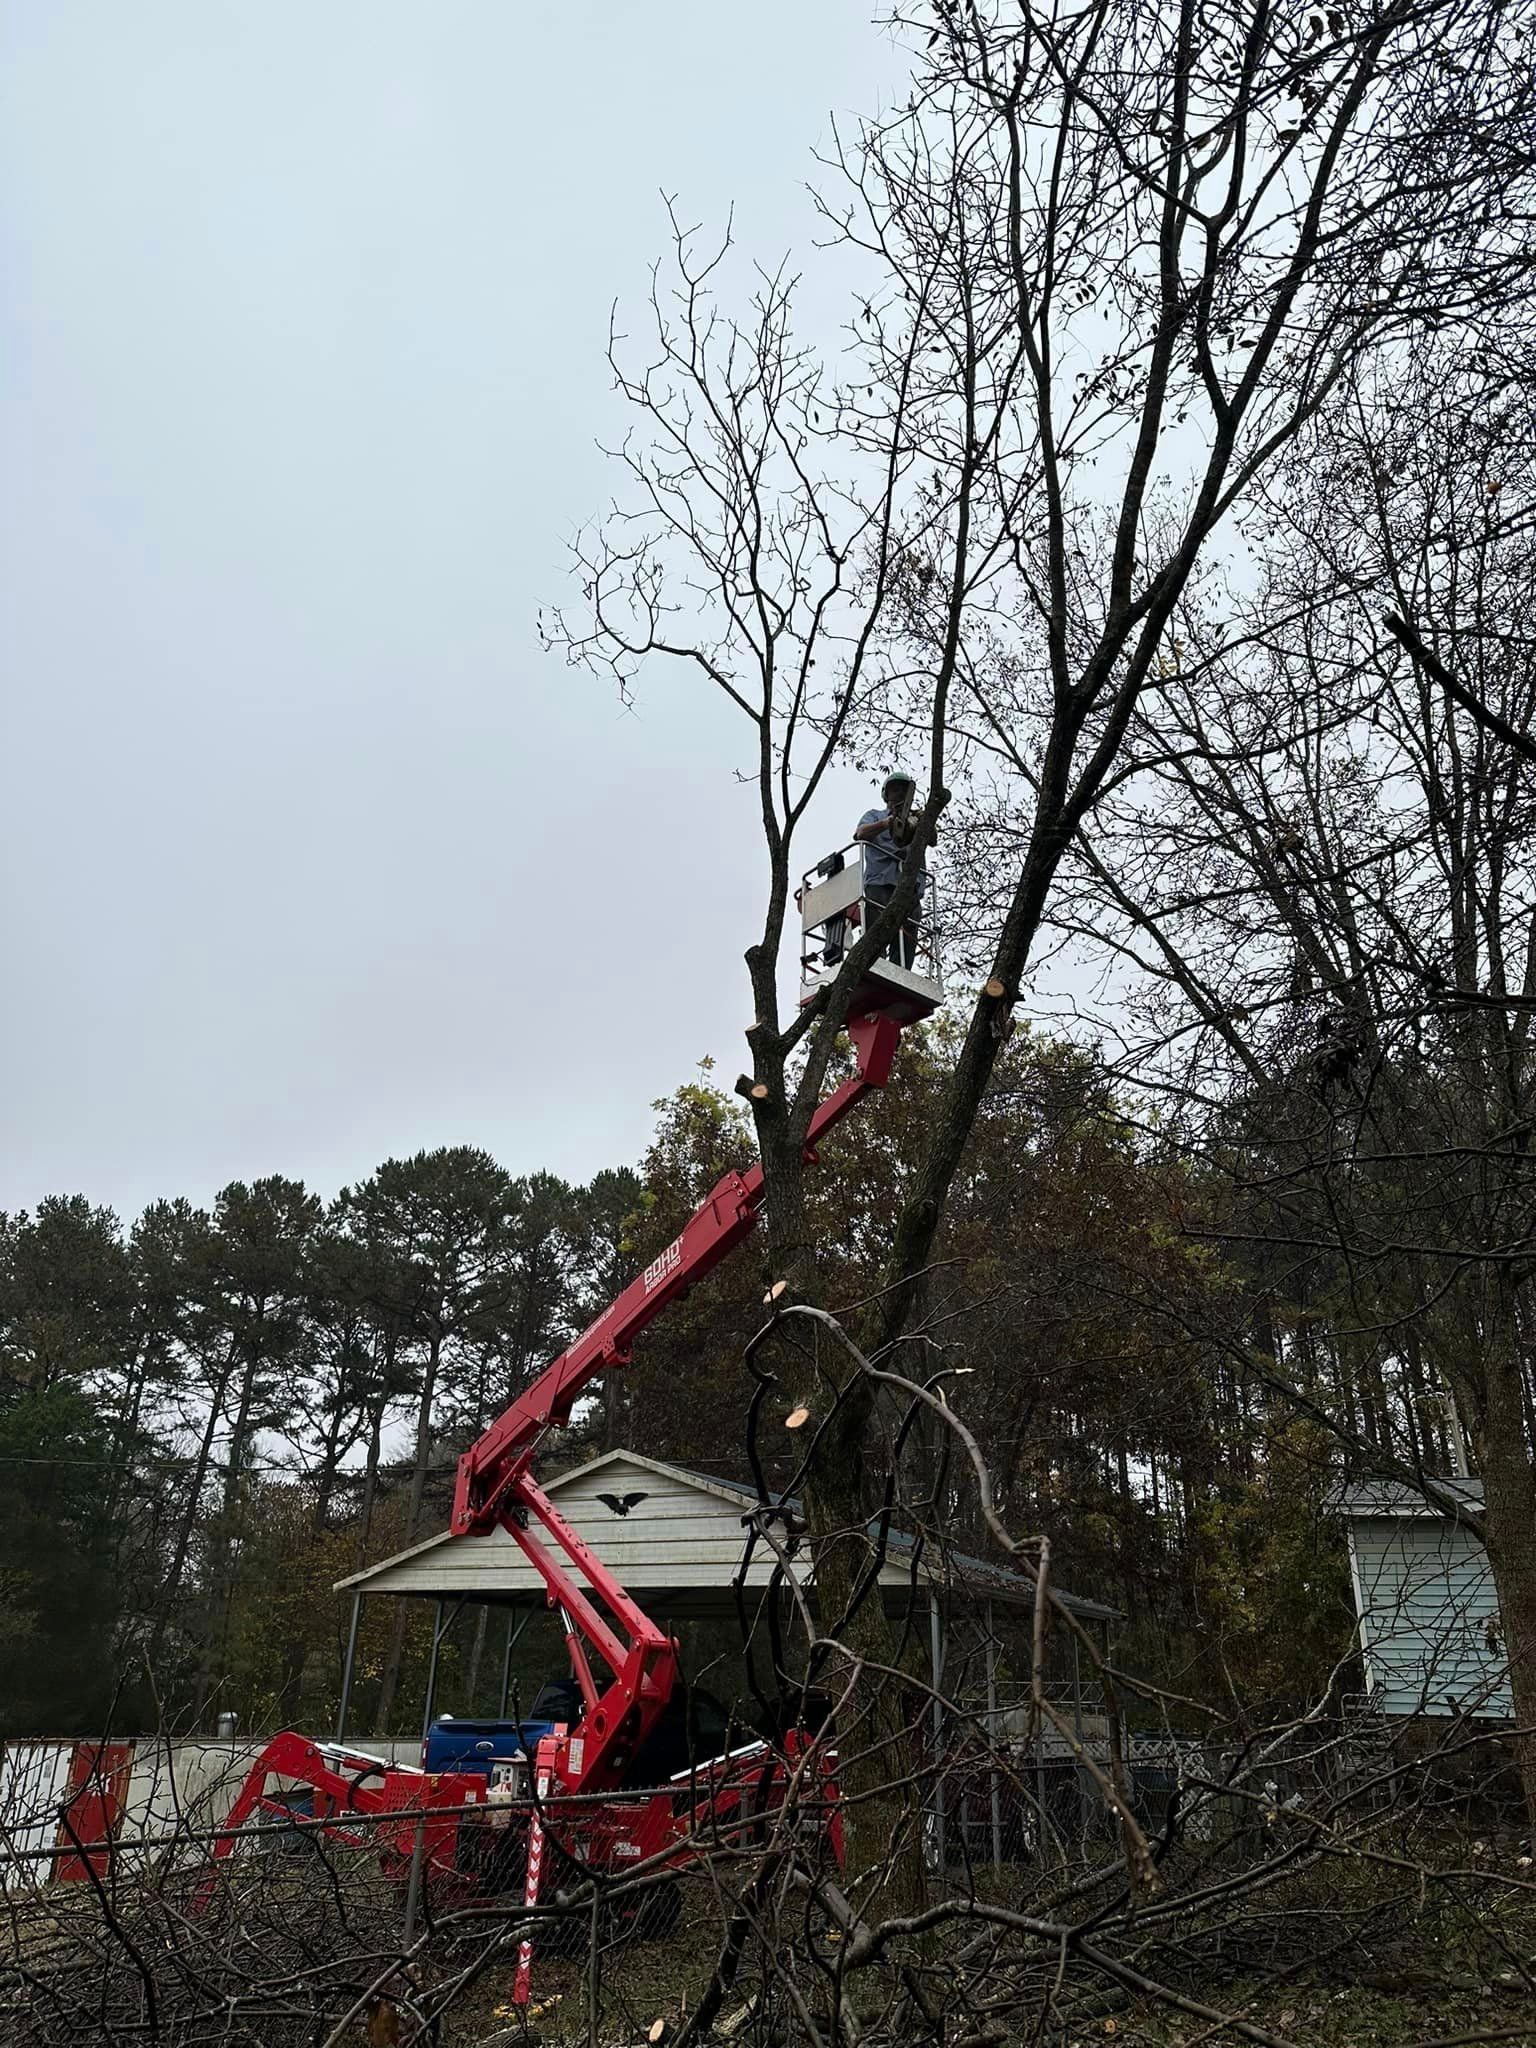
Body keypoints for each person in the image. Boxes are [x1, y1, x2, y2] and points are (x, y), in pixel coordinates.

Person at [855, 770, 929, 968]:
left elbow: (933, 839)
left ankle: (901, 974)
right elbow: (860, 833)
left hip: (909, 888)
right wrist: (887, 823)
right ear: (886, 794)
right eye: (894, 789)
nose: (898, 793)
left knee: (906, 941)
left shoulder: (916, 820)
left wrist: (924, 821)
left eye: (903, 790)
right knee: (876, 937)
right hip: (880, 883)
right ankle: (875, 967)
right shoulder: (874, 816)